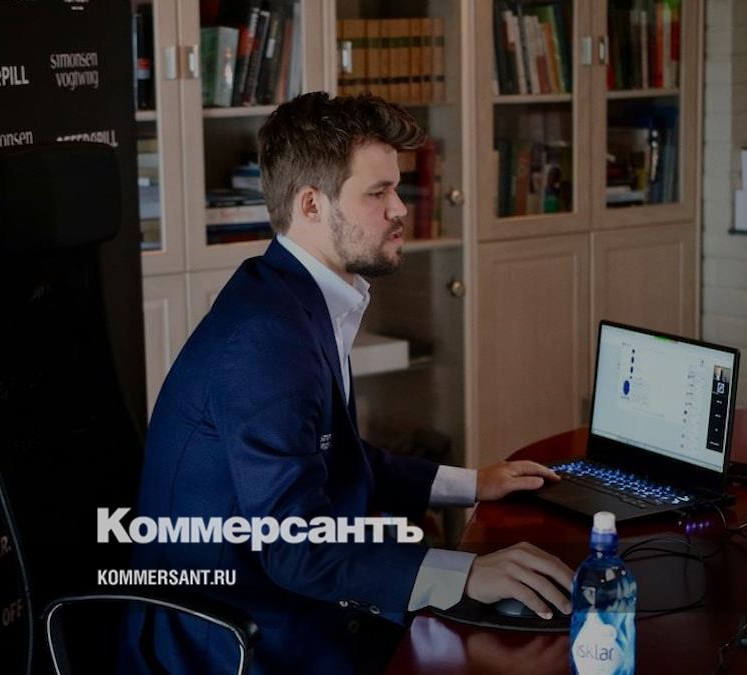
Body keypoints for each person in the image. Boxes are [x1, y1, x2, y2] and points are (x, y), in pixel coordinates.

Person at [123, 92, 573, 674]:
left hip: (278, 602)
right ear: (311, 205)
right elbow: (295, 549)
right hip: (233, 641)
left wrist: (471, 484)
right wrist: (463, 573)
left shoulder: (289, 293)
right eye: (377, 193)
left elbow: (334, 458)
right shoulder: (266, 341)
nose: (400, 209)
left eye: (396, 189)